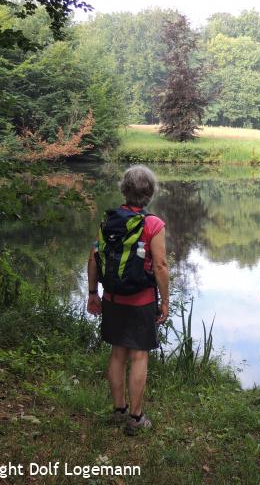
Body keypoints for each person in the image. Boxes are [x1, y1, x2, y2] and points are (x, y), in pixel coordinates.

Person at [86, 165, 169, 435]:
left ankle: (118, 409)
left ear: (124, 189)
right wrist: (165, 301)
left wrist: (92, 294)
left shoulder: (108, 221)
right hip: (140, 300)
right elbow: (160, 266)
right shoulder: (152, 224)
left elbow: (93, 258)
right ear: (149, 193)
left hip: (112, 297)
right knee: (139, 355)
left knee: (117, 354)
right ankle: (135, 417)